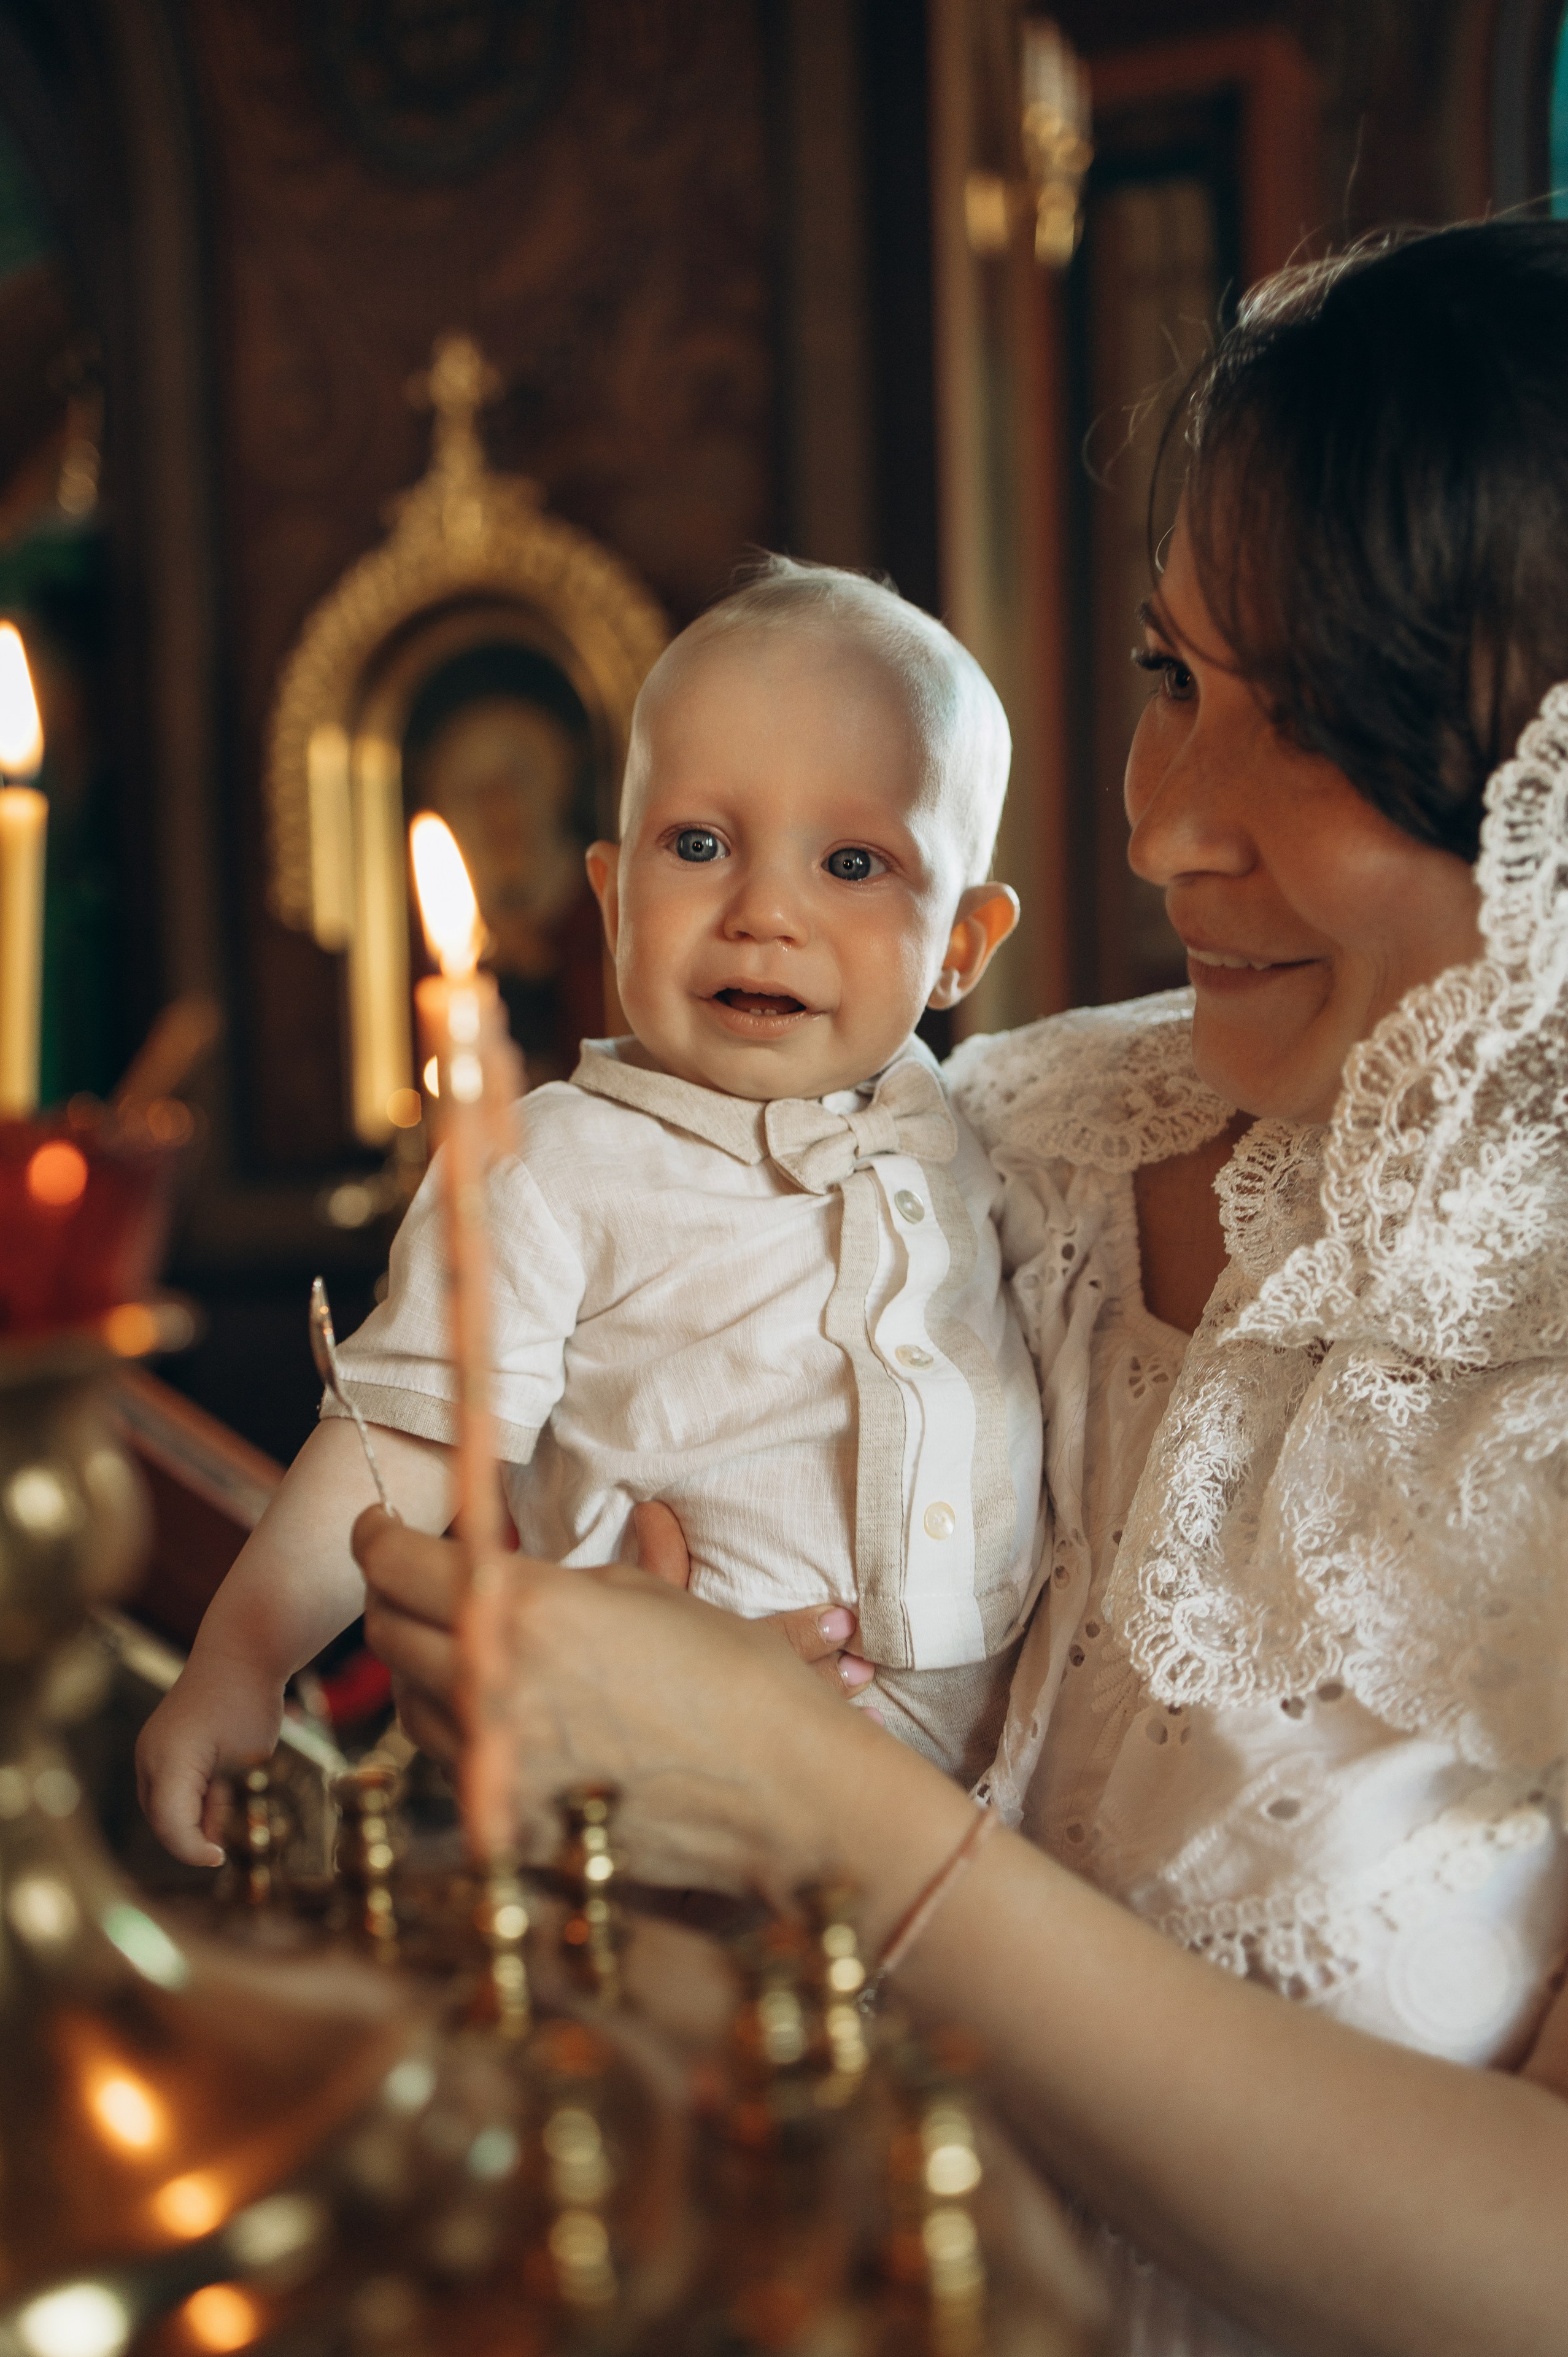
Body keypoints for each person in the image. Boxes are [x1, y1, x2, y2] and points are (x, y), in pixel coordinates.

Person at [353, 221, 1568, 2357]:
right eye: (1173, 677)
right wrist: (572, 1711)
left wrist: (837, 1821)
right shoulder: (980, 1146)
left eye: (1329, 728)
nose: (1167, 829)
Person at [137, 560, 1046, 1866]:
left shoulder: (968, 1128)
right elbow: (391, 1436)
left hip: (985, 1817)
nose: (762, 912)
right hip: (671, 1798)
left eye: (851, 860)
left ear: (960, 945)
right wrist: (241, 1664)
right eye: (699, 844)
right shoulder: (555, 1162)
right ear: (613, 894)